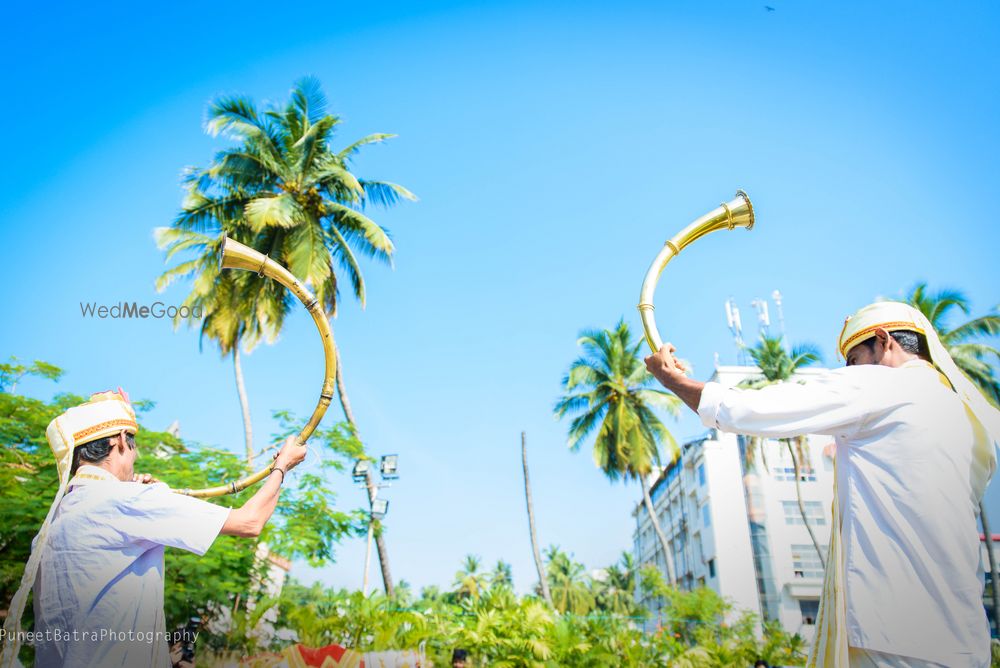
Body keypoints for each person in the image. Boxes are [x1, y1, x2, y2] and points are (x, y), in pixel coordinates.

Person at [644, 302, 999, 668]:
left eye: (854, 360)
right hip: (964, 640)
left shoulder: (885, 383)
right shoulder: (969, 417)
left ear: (883, 341)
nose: (851, 371)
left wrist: (674, 381)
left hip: (896, 635)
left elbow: (747, 409)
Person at [0, 389, 307, 667]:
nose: (134, 462)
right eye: (133, 450)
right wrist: (282, 466)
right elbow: (250, 521)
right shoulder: (127, 500)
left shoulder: (54, 523)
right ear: (120, 440)